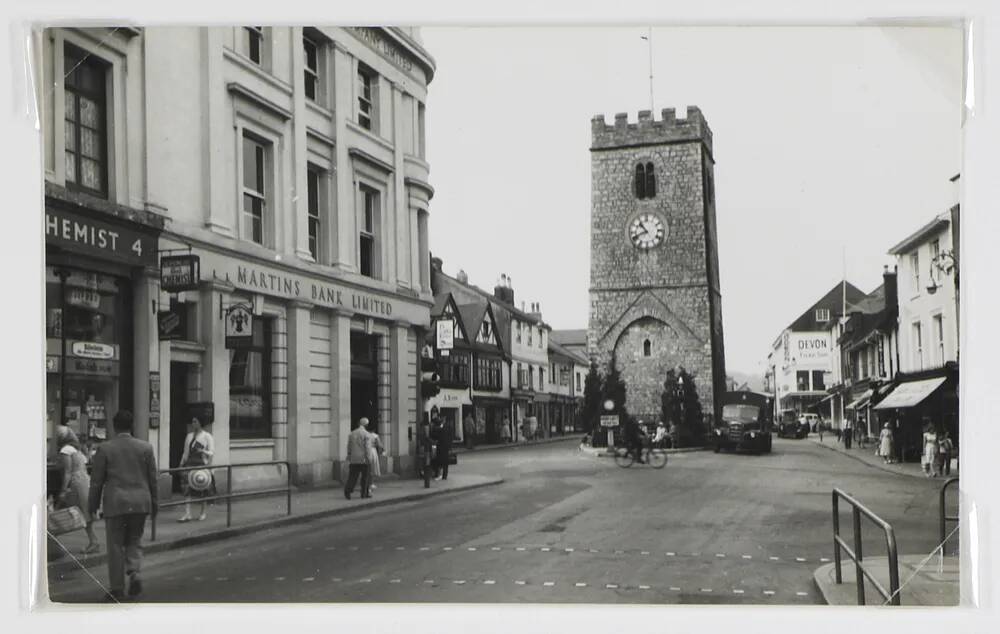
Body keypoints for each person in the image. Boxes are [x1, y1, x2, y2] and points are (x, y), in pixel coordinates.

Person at [88, 410, 158, 601]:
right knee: (135, 540)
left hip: (116, 503)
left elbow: (96, 481)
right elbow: (153, 480)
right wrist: (155, 504)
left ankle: (117, 588)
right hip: (140, 503)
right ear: (132, 426)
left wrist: (92, 505)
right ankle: (134, 572)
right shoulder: (145, 448)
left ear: (114, 426)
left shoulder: (105, 449)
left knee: (116, 545)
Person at [56, 427, 100, 554]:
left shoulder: (66, 450)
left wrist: (63, 490)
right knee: (84, 512)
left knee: (66, 513)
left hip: (76, 483)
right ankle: (94, 541)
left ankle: (94, 542)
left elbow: (67, 472)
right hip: (85, 480)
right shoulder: (77, 449)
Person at [177, 416, 215, 522]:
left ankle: (203, 512)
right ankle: (187, 513)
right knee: (186, 489)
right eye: (192, 421)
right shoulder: (189, 436)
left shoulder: (207, 436)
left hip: (201, 464)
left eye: (195, 421)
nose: (193, 424)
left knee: (202, 488)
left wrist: (203, 451)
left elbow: (212, 451)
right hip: (189, 464)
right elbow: (185, 452)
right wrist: (181, 464)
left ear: (200, 423)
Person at [344, 418, 373, 499]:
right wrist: (369, 458)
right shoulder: (367, 434)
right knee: (365, 477)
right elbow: (367, 448)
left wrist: (349, 456)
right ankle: (364, 493)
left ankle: (348, 490)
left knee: (352, 476)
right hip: (364, 459)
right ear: (366, 425)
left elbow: (349, 446)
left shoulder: (352, 433)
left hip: (354, 458)